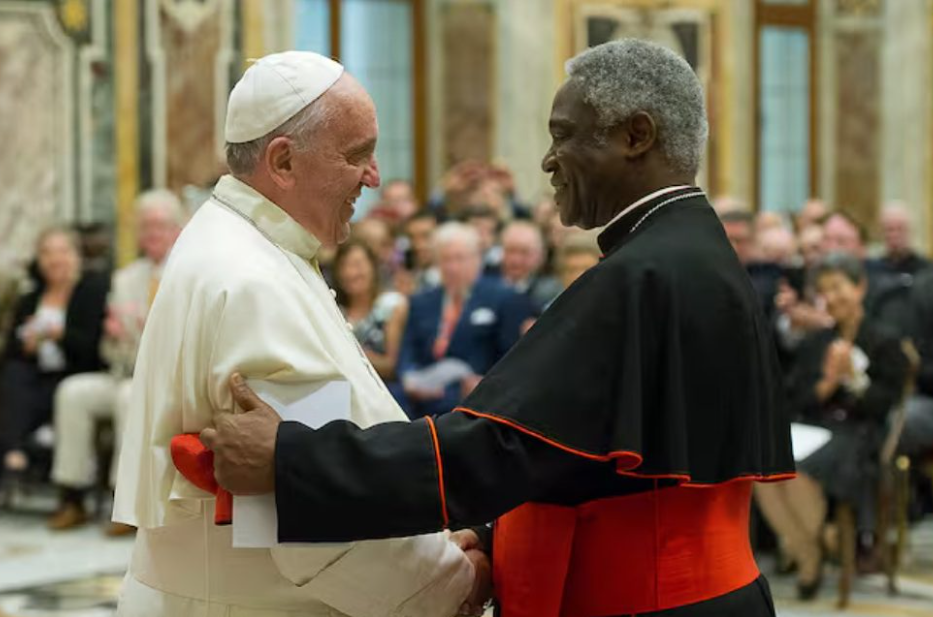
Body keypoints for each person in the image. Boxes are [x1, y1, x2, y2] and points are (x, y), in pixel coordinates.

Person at [202, 40, 794, 617]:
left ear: (635, 136)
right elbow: (574, 455)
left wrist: (291, 457)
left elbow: (496, 448)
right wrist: (494, 535)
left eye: (563, 135)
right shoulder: (690, 254)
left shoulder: (641, 276)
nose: (548, 160)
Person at [112, 52, 483, 617]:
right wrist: (453, 582)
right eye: (356, 154)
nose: (373, 176)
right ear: (283, 161)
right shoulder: (253, 280)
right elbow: (314, 523)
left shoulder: (233, 239)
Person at [756, 253, 908, 596]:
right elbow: (796, 399)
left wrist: (854, 378)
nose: (832, 297)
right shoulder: (817, 341)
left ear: (860, 287)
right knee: (763, 473)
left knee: (797, 472)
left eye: (838, 287)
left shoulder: (884, 340)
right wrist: (826, 383)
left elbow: (883, 406)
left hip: (860, 434)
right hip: (815, 429)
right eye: (825, 291)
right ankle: (813, 548)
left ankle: (808, 559)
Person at [47, 190, 184, 533]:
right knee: (73, 392)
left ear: (177, 229)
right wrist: (115, 336)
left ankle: (124, 501)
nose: (152, 233)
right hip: (125, 371)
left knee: (128, 397)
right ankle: (72, 495)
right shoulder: (125, 279)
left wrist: (144, 329)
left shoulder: (188, 274)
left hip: (169, 381)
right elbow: (108, 351)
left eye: (159, 225)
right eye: (145, 226)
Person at [0, 228, 109, 482]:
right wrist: (27, 346)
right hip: (34, 375)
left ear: (76, 256)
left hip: (72, 373)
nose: (55, 259)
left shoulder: (92, 292)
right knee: (14, 375)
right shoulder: (30, 298)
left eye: (62, 251)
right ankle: (16, 451)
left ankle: (18, 453)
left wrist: (59, 335)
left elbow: (92, 348)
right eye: (47, 253)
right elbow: (10, 351)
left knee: (31, 391)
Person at [398, 223, 533, 419]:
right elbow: (408, 351)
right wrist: (409, 380)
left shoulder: (503, 297)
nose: (452, 267)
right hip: (423, 391)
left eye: (459, 258)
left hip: (474, 396)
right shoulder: (422, 301)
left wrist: (484, 383)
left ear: (477, 259)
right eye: (446, 259)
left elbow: (510, 355)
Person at [332, 238, 408, 404]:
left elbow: (391, 365)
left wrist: (349, 356)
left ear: (373, 267)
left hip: (384, 393)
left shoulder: (391, 305)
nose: (350, 272)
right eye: (344, 265)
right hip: (342, 393)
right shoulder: (334, 310)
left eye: (358, 265)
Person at [498, 221, 562, 313]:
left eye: (524, 252)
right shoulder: (485, 284)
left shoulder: (552, 292)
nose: (516, 260)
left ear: (541, 255)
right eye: (510, 251)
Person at [868, 203, 930, 279]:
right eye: (890, 230)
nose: (895, 235)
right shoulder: (873, 270)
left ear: (910, 231)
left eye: (900, 229)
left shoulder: (926, 270)